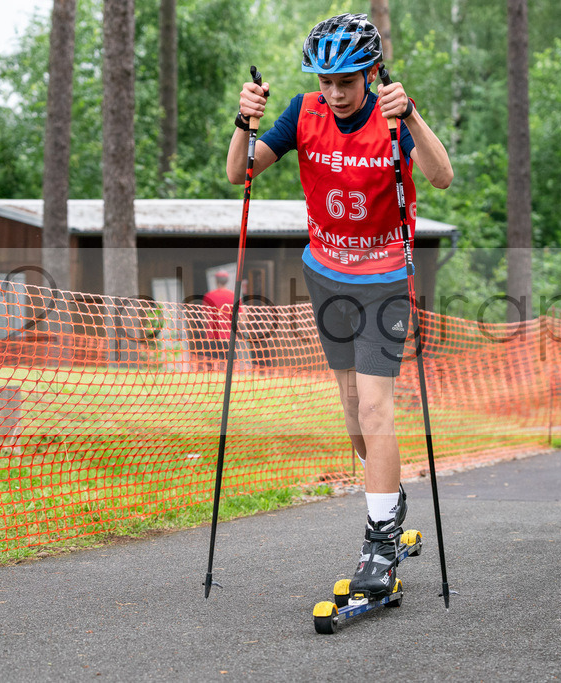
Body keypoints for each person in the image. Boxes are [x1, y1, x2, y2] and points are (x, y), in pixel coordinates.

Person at [226, 13, 452, 601]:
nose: (334, 91)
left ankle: (379, 545)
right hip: (326, 274)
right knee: (352, 408)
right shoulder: (303, 113)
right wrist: (244, 122)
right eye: (325, 80)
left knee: (377, 410)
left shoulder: (391, 117)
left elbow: (442, 176)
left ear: (372, 73)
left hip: (383, 278)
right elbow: (239, 171)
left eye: (347, 80)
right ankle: (391, 503)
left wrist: (414, 118)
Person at [199, 270, 235, 369]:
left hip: (211, 335)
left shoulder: (209, 295)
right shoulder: (233, 296)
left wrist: (203, 332)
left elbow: (204, 318)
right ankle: (224, 382)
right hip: (228, 336)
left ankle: (212, 382)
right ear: (227, 281)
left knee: (210, 363)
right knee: (226, 364)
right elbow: (239, 317)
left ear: (216, 281)